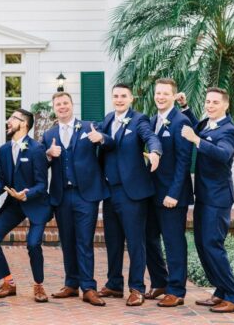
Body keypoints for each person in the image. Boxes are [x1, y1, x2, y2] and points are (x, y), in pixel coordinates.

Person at [179, 88, 234, 313]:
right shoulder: (208, 123)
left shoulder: (229, 130)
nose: (210, 105)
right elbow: (197, 129)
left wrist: (196, 140)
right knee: (201, 244)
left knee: (212, 245)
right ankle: (221, 291)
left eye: (215, 102)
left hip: (217, 198)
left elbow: (222, 154)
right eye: (207, 101)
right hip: (204, 195)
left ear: (225, 105)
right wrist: (185, 107)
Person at [41, 92, 109, 306]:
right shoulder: (49, 134)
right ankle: (71, 284)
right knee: (67, 240)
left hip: (86, 194)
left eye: (65, 103)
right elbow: (40, 163)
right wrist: (48, 154)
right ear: (54, 108)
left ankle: (88, 287)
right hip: (62, 195)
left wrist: (102, 138)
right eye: (58, 104)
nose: (62, 107)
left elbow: (109, 143)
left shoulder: (89, 126)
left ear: (72, 105)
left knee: (84, 241)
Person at [98, 83, 162, 306]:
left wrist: (155, 152)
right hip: (110, 191)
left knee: (135, 242)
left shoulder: (139, 119)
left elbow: (151, 137)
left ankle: (137, 288)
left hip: (132, 193)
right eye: (116, 96)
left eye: (123, 96)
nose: (119, 99)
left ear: (131, 98)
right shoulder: (108, 119)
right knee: (113, 241)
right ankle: (114, 284)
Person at [0, 109, 52, 303]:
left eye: (13, 118)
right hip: (13, 204)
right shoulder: (3, 150)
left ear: (24, 124)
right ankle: (8, 282)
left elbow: (42, 185)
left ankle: (38, 285)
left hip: (36, 204)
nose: (8, 121)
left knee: (33, 244)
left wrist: (26, 194)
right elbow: (3, 180)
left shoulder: (36, 149)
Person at [144, 78, 193, 307]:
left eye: (165, 93)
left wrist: (173, 193)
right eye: (158, 93)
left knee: (173, 243)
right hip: (152, 193)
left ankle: (176, 290)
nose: (160, 97)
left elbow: (184, 161)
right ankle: (160, 282)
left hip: (173, 196)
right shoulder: (153, 120)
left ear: (174, 96)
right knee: (148, 238)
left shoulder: (181, 121)